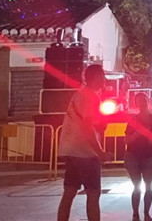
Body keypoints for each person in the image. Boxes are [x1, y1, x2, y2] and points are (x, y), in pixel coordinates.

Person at [57, 64, 112, 221]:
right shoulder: (90, 96)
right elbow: (87, 127)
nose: (104, 80)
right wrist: (100, 152)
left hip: (70, 149)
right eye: (102, 76)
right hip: (85, 153)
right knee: (93, 194)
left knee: (69, 192)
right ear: (95, 78)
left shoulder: (79, 94)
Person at [125, 92, 152, 221]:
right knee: (136, 186)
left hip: (149, 155)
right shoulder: (133, 120)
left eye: (143, 100)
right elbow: (127, 141)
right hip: (133, 155)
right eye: (138, 101)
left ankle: (146, 213)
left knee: (149, 187)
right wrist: (138, 133)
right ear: (136, 104)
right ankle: (135, 214)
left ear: (147, 101)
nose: (141, 103)